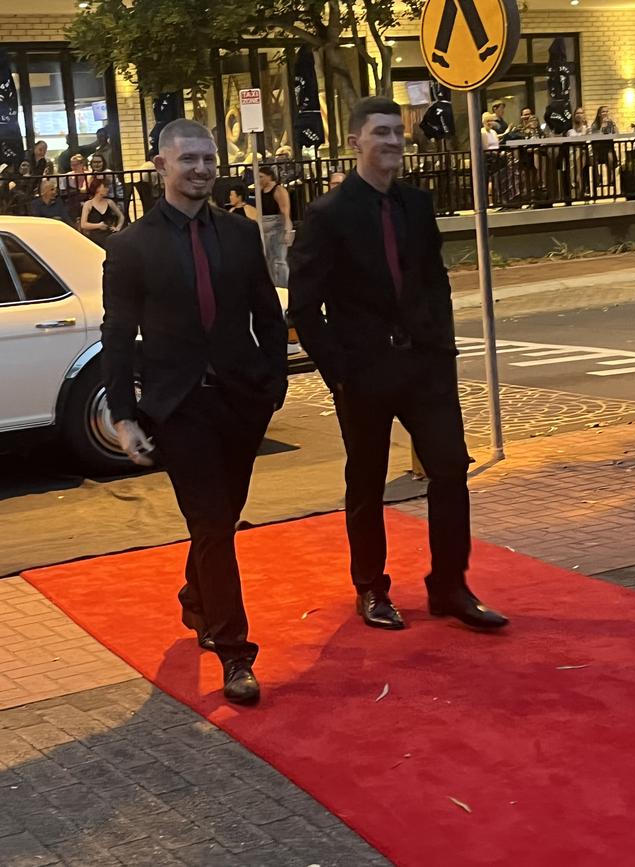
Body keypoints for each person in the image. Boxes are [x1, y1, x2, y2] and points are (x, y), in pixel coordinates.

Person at [288, 96, 508, 634]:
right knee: (366, 480)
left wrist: (442, 350)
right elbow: (303, 309)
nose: (392, 141)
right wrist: (339, 372)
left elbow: (434, 282)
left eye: (397, 132)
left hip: (426, 369)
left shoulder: (417, 203)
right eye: (380, 132)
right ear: (354, 141)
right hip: (362, 374)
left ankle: (450, 586)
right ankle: (371, 587)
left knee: (452, 469)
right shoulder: (327, 215)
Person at [101, 118, 287, 704]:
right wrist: (125, 415)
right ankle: (235, 652)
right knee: (210, 522)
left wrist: (274, 384)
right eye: (189, 160)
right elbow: (117, 335)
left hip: (240, 401)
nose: (202, 169)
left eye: (209, 159)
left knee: (221, 519)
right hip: (178, 408)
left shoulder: (238, 234)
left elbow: (267, 312)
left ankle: (194, 598)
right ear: (161, 165)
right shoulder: (131, 246)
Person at [259, 165, 293, 286]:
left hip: (277, 226)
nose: (259, 180)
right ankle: (273, 285)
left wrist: (287, 230)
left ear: (269, 177)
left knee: (279, 259)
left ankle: (284, 286)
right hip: (264, 228)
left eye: (261, 177)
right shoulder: (260, 192)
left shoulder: (279, 190)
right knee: (268, 260)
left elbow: (285, 210)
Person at [81, 177, 125, 246]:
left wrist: (118, 228)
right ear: (97, 188)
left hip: (109, 235)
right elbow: (83, 224)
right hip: (94, 238)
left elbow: (121, 216)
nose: (107, 189)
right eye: (105, 187)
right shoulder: (88, 204)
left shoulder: (109, 202)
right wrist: (98, 226)